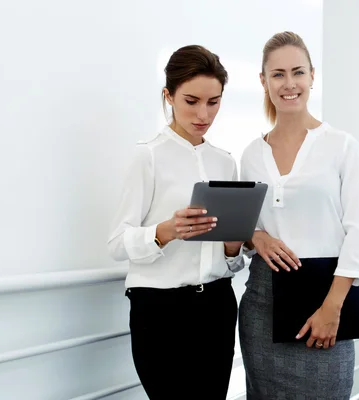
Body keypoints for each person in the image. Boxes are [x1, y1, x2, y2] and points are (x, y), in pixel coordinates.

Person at [238, 31, 359, 399]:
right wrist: (256, 236)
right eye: (277, 74)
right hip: (262, 306)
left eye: (298, 72)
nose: (289, 83)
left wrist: (332, 307)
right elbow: (244, 228)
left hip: (328, 303)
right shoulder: (251, 154)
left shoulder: (342, 146)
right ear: (263, 81)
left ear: (313, 75)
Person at [107, 45, 244, 400]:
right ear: (168, 96)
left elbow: (231, 263)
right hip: (160, 311)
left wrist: (232, 249)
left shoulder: (225, 163)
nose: (204, 113)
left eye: (214, 101)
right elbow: (117, 243)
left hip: (217, 307)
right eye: (192, 100)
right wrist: (165, 232)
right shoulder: (147, 157)